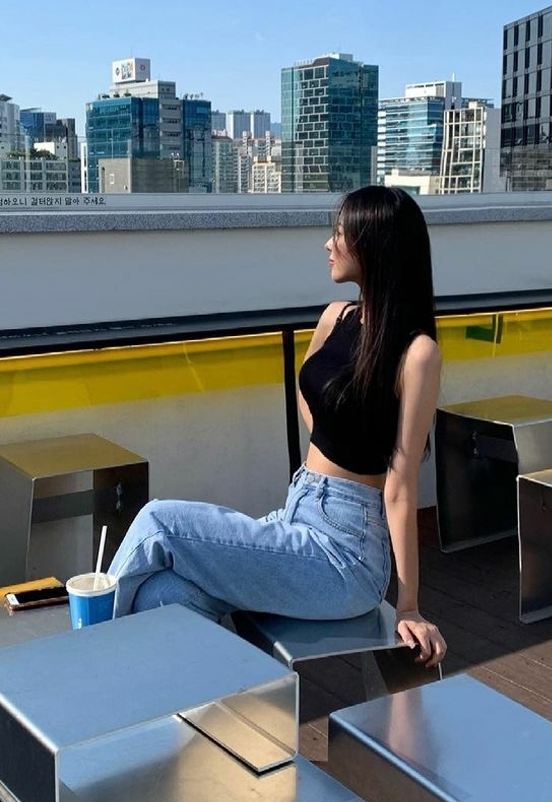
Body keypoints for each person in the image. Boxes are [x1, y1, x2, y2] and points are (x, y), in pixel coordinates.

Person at [105, 185, 447, 668]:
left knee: (158, 521)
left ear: (375, 246)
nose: (328, 245)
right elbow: (310, 397)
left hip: (346, 553)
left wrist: (408, 605)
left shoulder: (417, 355)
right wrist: (335, 434)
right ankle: (225, 715)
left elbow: (401, 485)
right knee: (162, 595)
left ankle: (89, 660)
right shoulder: (336, 317)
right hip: (298, 510)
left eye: (339, 234)